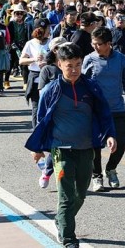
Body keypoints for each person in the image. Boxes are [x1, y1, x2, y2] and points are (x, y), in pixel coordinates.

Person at [25, 44, 116, 248]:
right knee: (66, 196)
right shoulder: (51, 89)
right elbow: (41, 120)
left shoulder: (91, 87)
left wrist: (110, 134)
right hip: (61, 150)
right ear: (59, 65)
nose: (74, 69)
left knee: (80, 194)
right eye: (69, 65)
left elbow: (104, 113)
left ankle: (61, 219)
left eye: (77, 64)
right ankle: (68, 237)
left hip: (86, 149)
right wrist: (38, 147)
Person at [83, 27, 125, 192]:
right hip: (95, 110)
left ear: (109, 44)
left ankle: (111, 169)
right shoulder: (89, 59)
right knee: (95, 145)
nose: (95, 47)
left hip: (117, 108)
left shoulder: (121, 59)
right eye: (93, 43)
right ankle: (97, 176)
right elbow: (82, 84)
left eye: (98, 44)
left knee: (120, 142)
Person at [36, 36, 71, 190]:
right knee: (56, 147)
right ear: (55, 50)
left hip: (70, 113)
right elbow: (41, 93)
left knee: (66, 147)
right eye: (61, 47)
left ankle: (54, 173)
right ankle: (48, 172)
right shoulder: (47, 69)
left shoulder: (70, 67)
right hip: (53, 113)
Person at [19, 18, 52, 127]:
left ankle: (47, 132)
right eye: (48, 28)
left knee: (49, 106)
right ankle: (36, 131)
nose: (50, 30)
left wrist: (48, 62)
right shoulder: (30, 44)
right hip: (35, 78)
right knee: (36, 107)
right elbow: (22, 60)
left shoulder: (52, 43)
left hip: (49, 78)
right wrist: (34, 59)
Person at [6, 3, 31, 89]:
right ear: (14, 14)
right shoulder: (10, 24)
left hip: (23, 46)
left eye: (21, 13)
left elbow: (28, 36)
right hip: (12, 46)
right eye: (17, 13)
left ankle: (25, 83)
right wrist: (11, 44)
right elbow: (8, 36)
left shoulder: (26, 24)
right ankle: (6, 81)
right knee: (10, 64)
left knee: (24, 65)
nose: (19, 15)